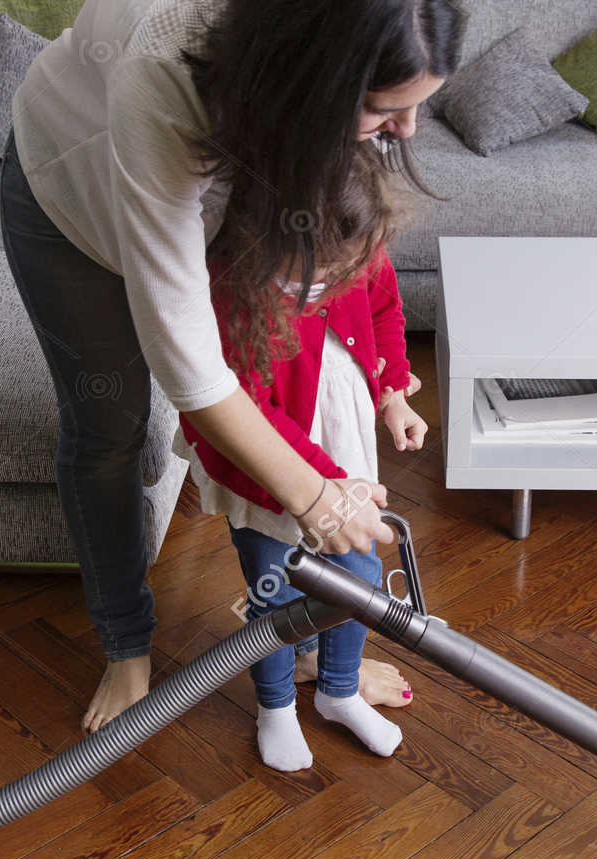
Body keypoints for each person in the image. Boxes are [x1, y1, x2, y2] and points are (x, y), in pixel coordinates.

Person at [0, 0, 464, 731]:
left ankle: (323, 651)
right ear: (312, 81)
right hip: (68, 200)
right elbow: (189, 368)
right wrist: (321, 504)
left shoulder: (310, 37)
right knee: (106, 429)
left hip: (198, 196)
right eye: (386, 109)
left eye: (416, 102)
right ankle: (126, 644)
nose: (409, 128)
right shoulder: (165, 76)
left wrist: (339, 595)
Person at [174, 220, 429, 770]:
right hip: (263, 466)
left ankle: (339, 691)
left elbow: (384, 312)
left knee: (359, 582)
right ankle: (276, 708)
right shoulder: (235, 286)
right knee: (276, 595)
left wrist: (394, 396)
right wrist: (319, 489)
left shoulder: (358, 244)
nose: (349, 277)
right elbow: (240, 412)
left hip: (345, 448)